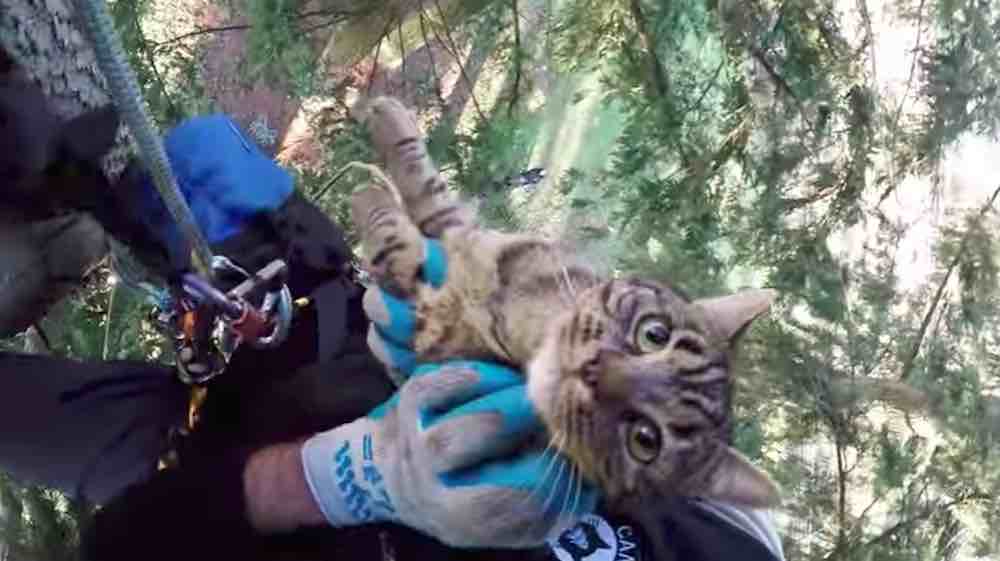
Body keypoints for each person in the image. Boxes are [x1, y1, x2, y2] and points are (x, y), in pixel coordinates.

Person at [0, 114, 785, 561]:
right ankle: (74, 201)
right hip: (315, 336)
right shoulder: (731, 538)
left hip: (215, 492)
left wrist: (335, 480)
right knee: (198, 158)